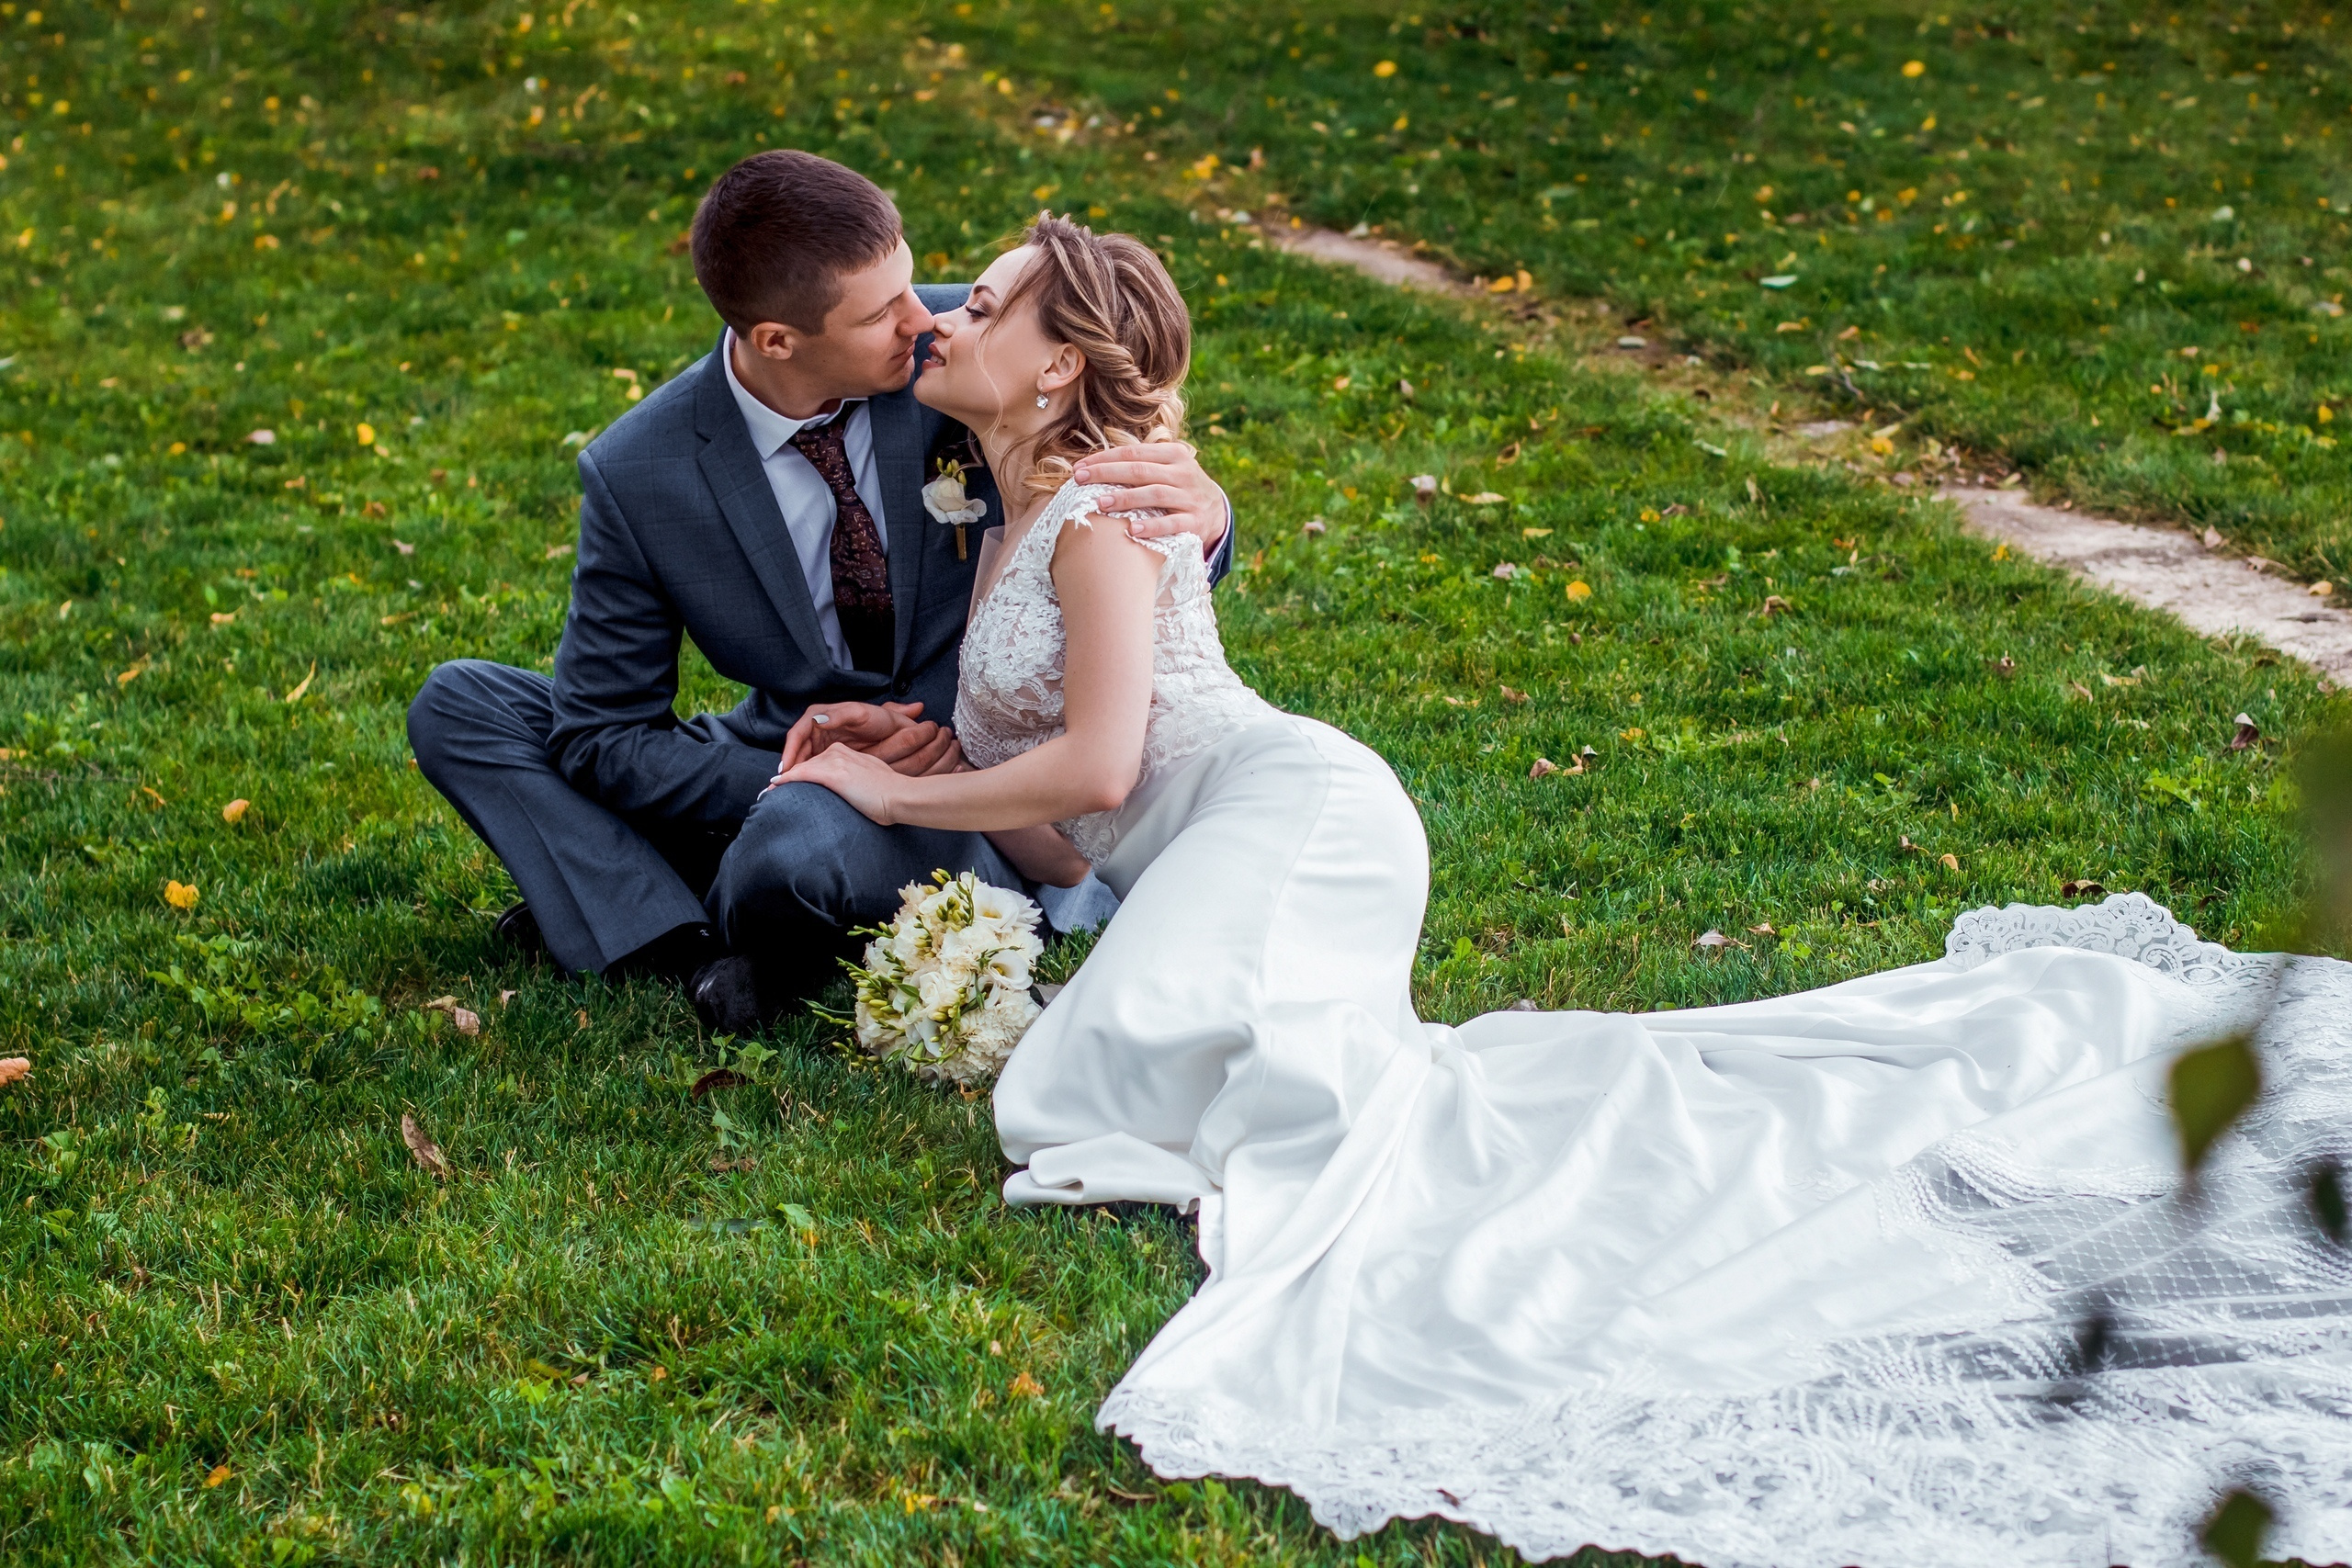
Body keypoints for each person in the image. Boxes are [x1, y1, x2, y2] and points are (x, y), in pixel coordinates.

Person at [776, 215, 2352, 1568]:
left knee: (1102, 1091)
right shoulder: (995, 505)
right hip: (1191, 849)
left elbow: (1106, 763)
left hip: (1292, 813)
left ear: (1060, 366)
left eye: (987, 301)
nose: (945, 315)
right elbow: (1077, 832)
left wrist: (896, 797)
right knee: (1142, 1089)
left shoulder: (1105, 514)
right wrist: (927, 758)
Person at [404, 152, 1233, 1033]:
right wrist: (808, 772)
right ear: (778, 340)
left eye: (912, 282)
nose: (924, 318)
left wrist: (1207, 516)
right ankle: (685, 939)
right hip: (791, 748)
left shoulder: (976, 352)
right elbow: (601, 734)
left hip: (981, 786)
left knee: (793, 845)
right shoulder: (640, 469)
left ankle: (649, 900)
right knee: (461, 705)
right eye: (880, 313)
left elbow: (1107, 494)